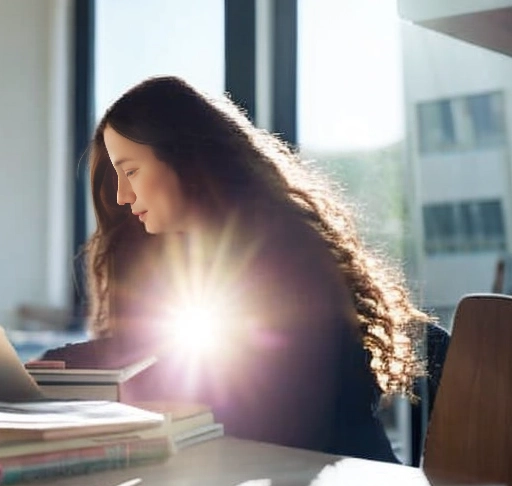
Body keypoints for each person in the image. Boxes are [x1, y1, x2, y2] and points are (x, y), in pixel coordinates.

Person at [42, 76, 432, 463]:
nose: (122, 197)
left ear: (183, 156)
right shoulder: (197, 263)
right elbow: (155, 353)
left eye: (130, 172)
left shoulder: (283, 258)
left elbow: (260, 416)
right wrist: (52, 367)